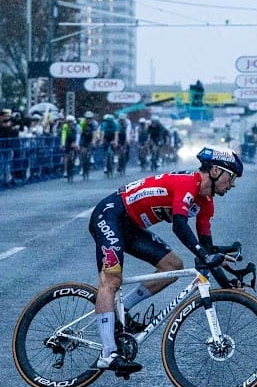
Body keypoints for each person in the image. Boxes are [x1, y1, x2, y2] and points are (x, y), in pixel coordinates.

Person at [87, 146, 243, 375]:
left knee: (172, 267)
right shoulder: (187, 184)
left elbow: (205, 253)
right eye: (231, 178)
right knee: (111, 281)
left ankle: (124, 311)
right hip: (110, 215)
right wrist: (206, 254)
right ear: (216, 171)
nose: (232, 185)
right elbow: (180, 226)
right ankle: (107, 354)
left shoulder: (206, 203)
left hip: (131, 227)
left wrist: (227, 282)